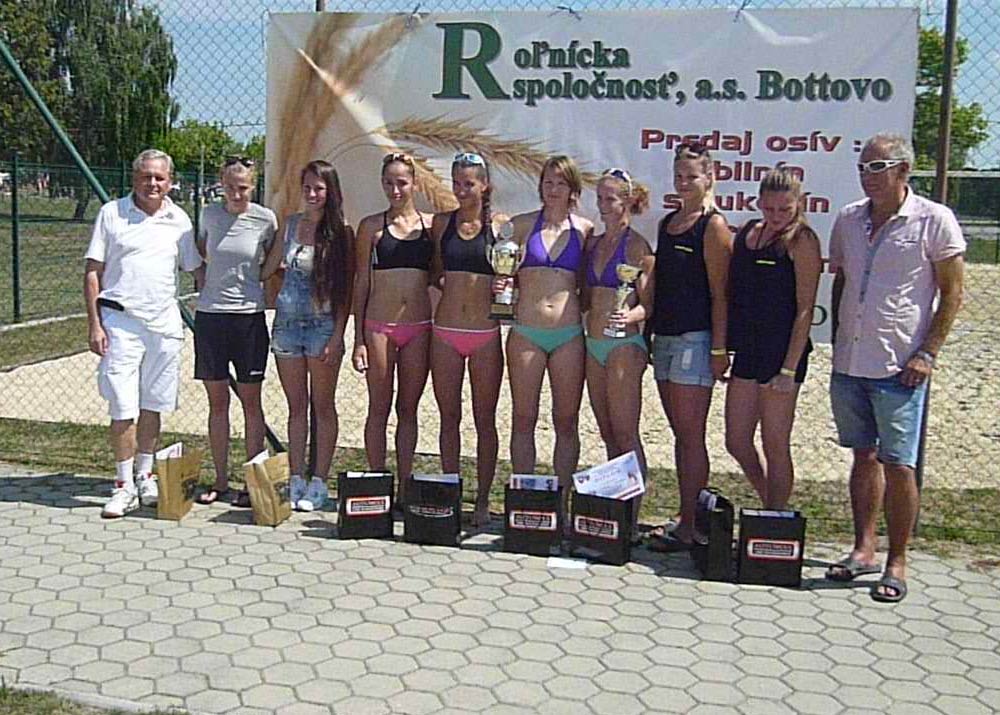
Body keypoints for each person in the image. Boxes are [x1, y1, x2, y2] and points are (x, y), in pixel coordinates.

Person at [824, 133, 964, 603]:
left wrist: (928, 353)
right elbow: (842, 282)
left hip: (899, 365)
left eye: (877, 167)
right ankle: (863, 548)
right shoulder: (848, 219)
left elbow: (953, 293)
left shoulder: (934, 220)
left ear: (904, 170)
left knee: (899, 465)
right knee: (862, 455)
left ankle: (897, 560)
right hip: (851, 361)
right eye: (863, 167)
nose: (868, 176)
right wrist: (839, 339)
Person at [84, 149, 203, 518]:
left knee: (153, 404)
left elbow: (196, 269)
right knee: (123, 406)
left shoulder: (179, 220)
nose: (152, 183)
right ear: (134, 178)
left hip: (164, 326)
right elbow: (92, 272)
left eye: (159, 177)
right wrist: (95, 324)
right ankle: (122, 486)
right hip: (120, 324)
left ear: (170, 181)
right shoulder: (112, 213)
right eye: (145, 176)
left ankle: (145, 476)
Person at [646, 142, 732, 551]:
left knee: (691, 434)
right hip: (664, 337)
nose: (684, 183)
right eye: (679, 176)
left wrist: (719, 349)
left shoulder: (713, 226)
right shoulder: (668, 223)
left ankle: (691, 526)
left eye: (692, 176)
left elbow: (721, 294)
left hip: (695, 340)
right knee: (680, 434)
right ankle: (685, 516)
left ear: (709, 177)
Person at [724, 168, 822, 510]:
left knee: (775, 442)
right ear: (759, 203)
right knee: (737, 440)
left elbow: (805, 308)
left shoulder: (802, 240)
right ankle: (770, 502)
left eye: (785, 209)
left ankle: (774, 519)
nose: (777, 216)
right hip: (748, 349)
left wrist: (788, 369)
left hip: (782, 353)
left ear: (799, 204)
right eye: (769, 208)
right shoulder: (749, 233)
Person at [261, 160, 353, 512]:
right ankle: (296, 475)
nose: (312, 194)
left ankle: (319, 481)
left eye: (319, 188)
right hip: (287, 326)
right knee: (296, 406)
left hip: (322, 327)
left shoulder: (341, 233)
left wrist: (338, 335)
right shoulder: (289, 225)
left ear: (331, 191)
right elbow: (268, 268)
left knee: (322, 406)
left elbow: (344, 290)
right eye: (307, 188)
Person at [504, 155, 594, 502]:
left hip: (568, 335)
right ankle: (524, 502)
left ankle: (563, 502)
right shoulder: (521, 225)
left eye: (561, 183)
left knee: (566, 420)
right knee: (523, 417)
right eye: (548, 182)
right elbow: (502, 272)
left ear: (573, 189)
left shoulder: (584, 231)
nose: (553, 189)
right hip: (527, 332)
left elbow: (589, 284)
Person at [352, 153, 435, 509]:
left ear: (414, 183)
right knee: (378, 407)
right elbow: (361, 283)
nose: (395, 189)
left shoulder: (431, 226)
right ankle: (377, 482)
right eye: (389, 182)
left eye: (402, 182)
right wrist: (358, 339)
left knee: (408, 409)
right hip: (379, 327)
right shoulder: (371, 227)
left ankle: (404, 484)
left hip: (418, 327)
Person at [194, 157, 277, 507]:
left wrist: (256, 281)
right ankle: (221, 480)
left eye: (242, 187)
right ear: (221, 184)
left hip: (248, 319)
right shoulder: (208, 215)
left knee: (251, 404)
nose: (236, 193)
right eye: (230, 187)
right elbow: (201, 254)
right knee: (218, 404)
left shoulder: (265, 219)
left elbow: (272, 260)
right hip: (211, 318)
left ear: (253, 187)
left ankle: (251, 483)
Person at [430, 152, 506, 526]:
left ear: (485, 185)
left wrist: (504, 288)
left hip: (484, 333)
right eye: (457, 183)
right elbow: (433, 273)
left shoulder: (501, 226)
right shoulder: (441, 223)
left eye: (469, 183)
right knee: (449, 418)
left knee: (484, 419)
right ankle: (450, 493)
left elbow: (512, 275)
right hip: (445, 332)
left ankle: (483, 499)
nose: (462, 190)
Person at [582, 168, 653, 525]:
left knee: (626, 432)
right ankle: (617, 511)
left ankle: (632, 519)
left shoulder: (637, 246)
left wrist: (631, 315)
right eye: (599, 198)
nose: (603, 205)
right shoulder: (593, 243)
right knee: (608, 432)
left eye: (610, 199)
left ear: (627, 201)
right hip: (594, 343)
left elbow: (649, 305)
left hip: (623, 345)